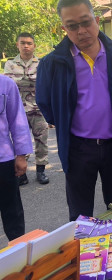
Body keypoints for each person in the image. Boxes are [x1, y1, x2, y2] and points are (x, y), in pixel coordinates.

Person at [36, 0, 112, 221]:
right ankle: (81, 256)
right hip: (77, 149)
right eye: (72, 26)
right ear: (64, 28)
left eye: (86, 22)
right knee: (80, 218)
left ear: (96, 20)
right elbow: (45, 102)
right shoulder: (52, 63)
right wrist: (65, 121)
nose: (81, 31)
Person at [4, 33, 49, 185]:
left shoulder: (42, 63)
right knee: (21, 142)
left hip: (38, 109)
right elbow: (9, 85)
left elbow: (44, 84)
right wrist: (31, 80)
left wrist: (22, 81)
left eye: (29, 43)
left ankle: (41, 171)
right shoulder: (10, 63)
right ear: (17, 45)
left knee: (41, 141)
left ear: (34, 46)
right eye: (22, 43)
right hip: (18, 111)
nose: (26, 46)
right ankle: (22, 173)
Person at [0, 75, 33, 240]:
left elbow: (17, 121)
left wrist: (21, 155)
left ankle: (20, 259)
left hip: (4, 161)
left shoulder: (6, 84)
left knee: (13, 214)